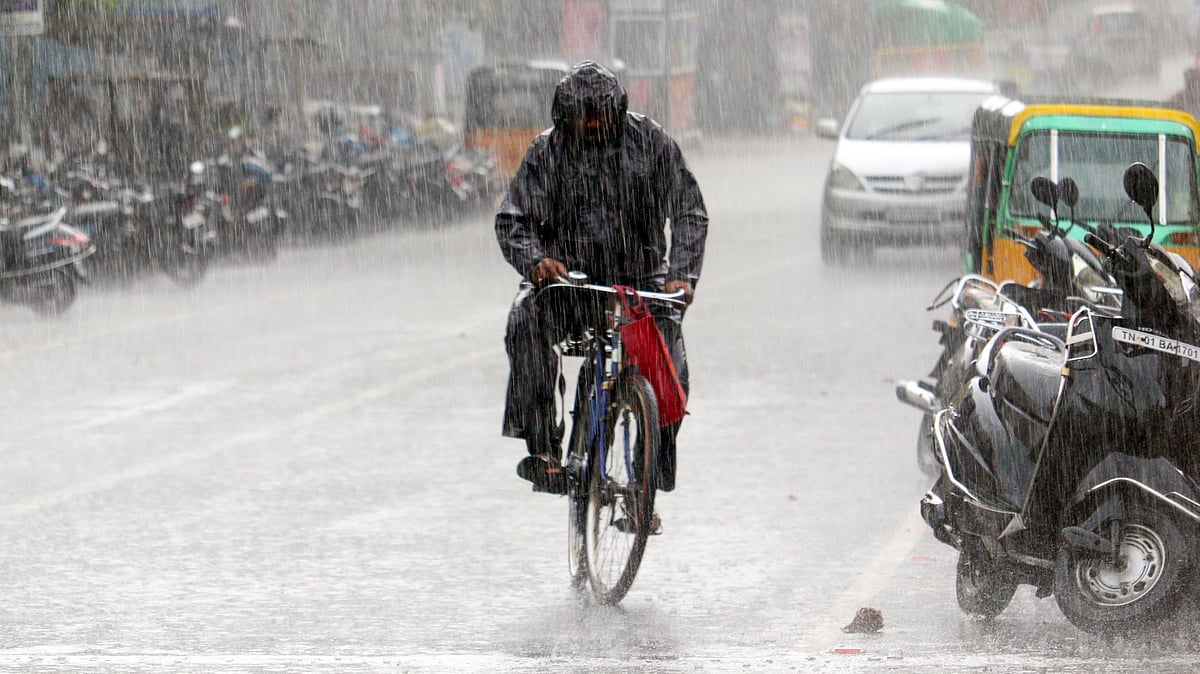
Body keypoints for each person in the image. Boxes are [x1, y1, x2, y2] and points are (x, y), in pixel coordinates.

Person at [495, 60, 709, 503]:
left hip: (640, 285)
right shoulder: (546, 153)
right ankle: (545, 452)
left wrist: (681, 276)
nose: (592, 124)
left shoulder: (651, 144)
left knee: (670, 366)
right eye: (583, 115)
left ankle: (654, 468)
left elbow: (689, 210)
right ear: (565, 115)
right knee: (525, 323)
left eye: (600, 114)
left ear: (617, 110)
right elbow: (512, 220)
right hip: (569, 284)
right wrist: (537, 262)